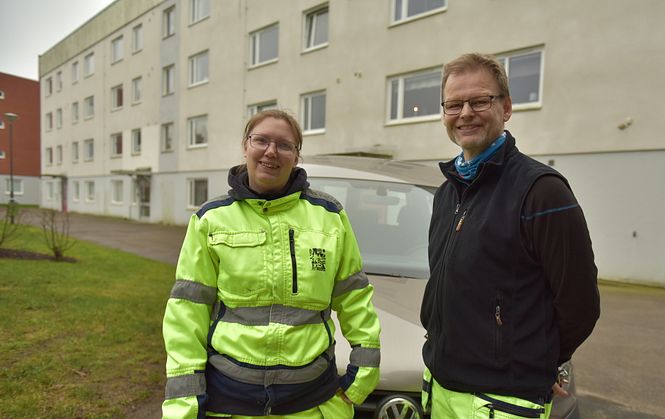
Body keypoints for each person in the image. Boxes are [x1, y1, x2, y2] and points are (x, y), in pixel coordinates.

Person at [162, 109, 381, 418]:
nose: (271, 152)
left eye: (284, 145)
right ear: (245, 146)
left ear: (296, 156)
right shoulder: (211, 219)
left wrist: (362, 376)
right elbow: (187, 310)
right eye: (261, 140)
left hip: (311, 401)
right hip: (229, 400)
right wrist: (185, 401)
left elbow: (354, 296)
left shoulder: (329, 216)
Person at [420, 53, 601, 418]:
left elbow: (580, 303)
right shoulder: (446, 193)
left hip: (503, 402)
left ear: (506, 108)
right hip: (440, 388)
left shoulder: (543, 191)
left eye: (480, 101)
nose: (465, 112)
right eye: (454, 104)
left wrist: (544, 360)